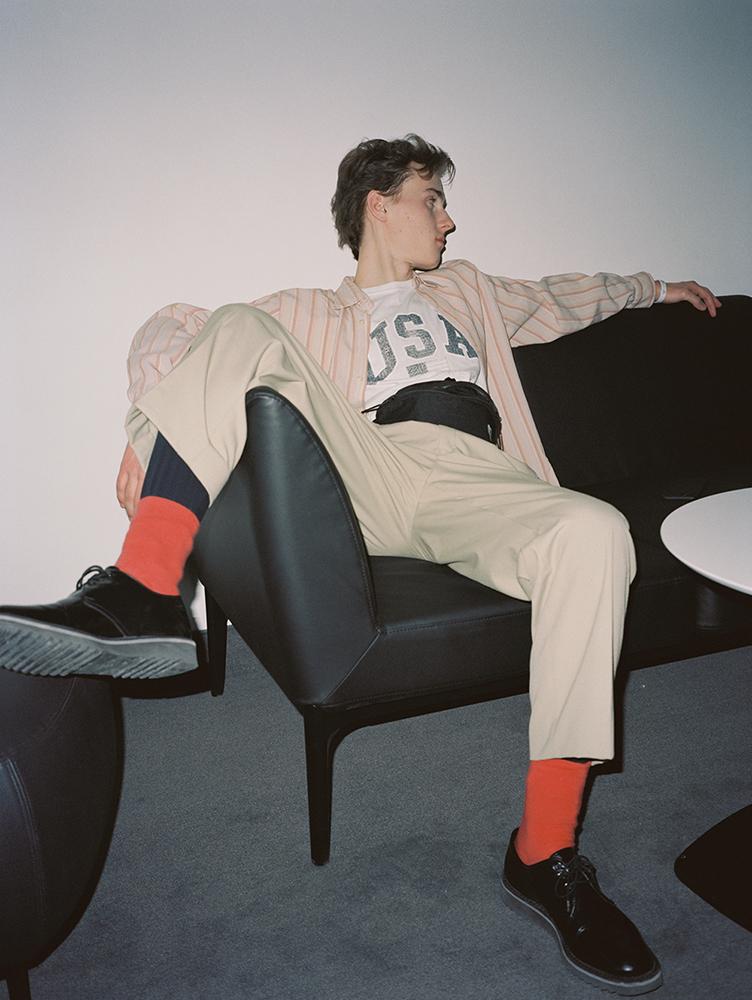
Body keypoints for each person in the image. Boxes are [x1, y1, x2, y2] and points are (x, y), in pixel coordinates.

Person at [0, 135, 720, 995]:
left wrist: (657, 288)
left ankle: (543, 849)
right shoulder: (309, 308)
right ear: (379, 205)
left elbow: (571, 295)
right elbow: (176, 326)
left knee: (596, 531)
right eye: (432, 200)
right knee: (238, 326)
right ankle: (143, 586)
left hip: (478, 477)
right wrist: (152, 423)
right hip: (368, 469)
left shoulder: (470, 289)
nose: (448, 220)